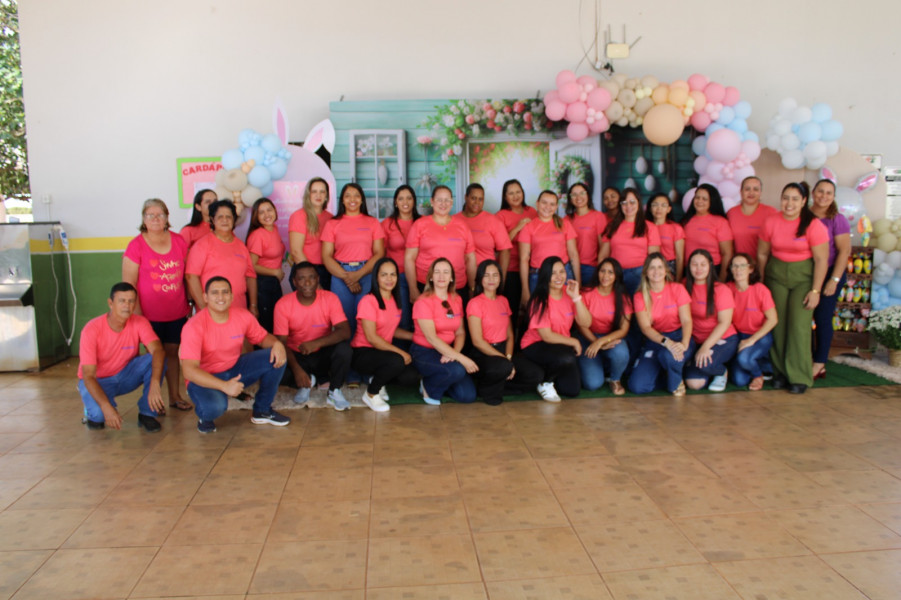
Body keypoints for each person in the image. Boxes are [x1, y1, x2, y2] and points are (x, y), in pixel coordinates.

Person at [180, 277, 289, 433]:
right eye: (215, 293)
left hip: (234, 369)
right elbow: (189, 371)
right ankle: (205, 416)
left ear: (231, 296)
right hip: (204, 378)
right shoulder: (194, 326)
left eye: (225, 292)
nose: (220, 297)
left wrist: (277, 344)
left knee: (276, 356)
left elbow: (263, 338)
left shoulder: (242, 316)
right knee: (215, 408)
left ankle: (262, 410)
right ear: (205, 297)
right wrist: (224, 386)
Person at [758, 182, 829, 394]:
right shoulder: (771, 221)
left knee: (799, 325)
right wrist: (760, 281)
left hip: (803, 279)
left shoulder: (813, 225)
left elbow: (821, 260)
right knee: (777, 324)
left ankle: (799, 376)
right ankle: (780, 373)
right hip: (776, 276)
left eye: (795, 199)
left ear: (804, 201)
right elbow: (762, 253)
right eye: (786, 198)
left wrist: (815, 291)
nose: (789, 203)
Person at [122, 198, 192, 412]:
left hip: (177, 311)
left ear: (166, 218)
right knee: (155, 356)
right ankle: (154, 401)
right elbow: (128, 284)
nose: (155, 219)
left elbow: (187, 275)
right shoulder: (136, 246)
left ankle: (174, 396)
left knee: (173, 353)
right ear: (143, 219)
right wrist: (138, 316)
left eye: (160, 215)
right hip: (148, 315)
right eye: (150, 215)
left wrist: (191, 302)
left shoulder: (179, 241)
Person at [78, 282, 166, 432]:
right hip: (99, 381)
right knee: (99, 416)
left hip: (126, 375)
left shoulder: (140, 322)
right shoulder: (91, 329)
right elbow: (88, 376)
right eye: (122, 301)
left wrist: (155, 383)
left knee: (156, 359)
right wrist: (106, 407)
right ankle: (92, 411)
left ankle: (147, 413)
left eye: (131, 301)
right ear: (110, 303)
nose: (127, 305)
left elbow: (158, 350)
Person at [274, 262, 353, 411]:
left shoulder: (330, 298)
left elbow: (345, 331)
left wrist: (316, 343)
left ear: (318, 279)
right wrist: (297, 370)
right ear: (294, 282)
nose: (307, 283)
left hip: (322, 354)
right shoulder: (283, 304)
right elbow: (281, 343)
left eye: (311, 277)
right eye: (301, 278)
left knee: (344, 350)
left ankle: (334, 391)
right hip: (298, 356)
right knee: (273, 367)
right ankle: (307, 381)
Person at [466, 259, 542, 405]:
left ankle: (497, 387)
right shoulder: (474, 303)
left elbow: (510, 336)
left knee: (536, 374)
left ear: (500, 278)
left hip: (503, 351)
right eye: (487, 275)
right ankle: (489, 389)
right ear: (480, 278)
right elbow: (477, 341)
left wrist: (508, 357)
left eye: (495, 275)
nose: (491, 279)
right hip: (484, 353)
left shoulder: (503, 301)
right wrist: (505, 361)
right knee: (503, 367)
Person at [350, 257, 419, 412]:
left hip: (382, 352)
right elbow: (372, 338)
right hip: (363, 353)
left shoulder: (395, 301)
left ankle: (377, 380)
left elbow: (391, 329)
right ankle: (371, 394)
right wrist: (401, 353)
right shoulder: (368, 301)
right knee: (397, 361)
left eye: (393, 274)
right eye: (384, 275)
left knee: (410, 377)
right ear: (376, 278)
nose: (389, 279)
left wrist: (414, 336)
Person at [520, 256, 591, 402]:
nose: (559, 277)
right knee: (567, 357)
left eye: (562, 272)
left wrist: (576, 298)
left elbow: (586, 322)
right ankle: (545, 382)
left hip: (560, 345)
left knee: (572, 390)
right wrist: (573, 341)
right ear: (546, 275)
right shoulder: (539, 299)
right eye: (553, 273)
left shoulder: (569, 292)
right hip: (536, 344)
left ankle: (548, 370)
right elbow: (546, 336)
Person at [410, 257, 478, 405]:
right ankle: (428, 386)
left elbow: (460, 332)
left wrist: (453, 353)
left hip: (447, 351)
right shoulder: (423, 301)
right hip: (424, 352)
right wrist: (461, 358)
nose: (441, 276)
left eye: (446, 272)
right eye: (437, 272)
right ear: (431, 277)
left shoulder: (456, 299)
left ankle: (442, 378)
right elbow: (431, 338)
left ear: (451, 278)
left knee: (467, 396)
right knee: (457, 370)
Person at [321, 183, 385, 335]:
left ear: (362, 199)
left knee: (366, 320)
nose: (352, 199)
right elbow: (326, 256)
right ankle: (346, 350)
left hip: (367, 273)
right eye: (348, 196)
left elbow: (379, 253)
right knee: (344, 321)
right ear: (342, 200)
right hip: (340, 275)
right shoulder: (332, 224)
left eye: (356, 195)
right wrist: (347, 278)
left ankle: (363, 349)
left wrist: (359, 274)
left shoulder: (372, 222)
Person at [628, 253, 694, 396]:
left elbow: (687, 321)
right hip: (656, 340)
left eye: (660, 267)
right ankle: (670, 376)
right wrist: (665, 342)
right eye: (652, 268)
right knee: (637, 386)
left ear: (666, 271)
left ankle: (675, 381)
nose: (656, 271)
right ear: (646, 272)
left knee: (668, 356)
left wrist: (684, 343)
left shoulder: (677, 289)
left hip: (679, 337)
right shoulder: (640, 296)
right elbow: (646, 328)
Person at [810, 178, 852, 380]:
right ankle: (807, 357)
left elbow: (844, 251)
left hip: (830, 273)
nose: (823, 196)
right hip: (807, 273)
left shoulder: (837, 219)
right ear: (813, 193)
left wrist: (833, 280)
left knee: (822, 318)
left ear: (833, 197)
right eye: (820, 191)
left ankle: (819, 363)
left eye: (828, 193)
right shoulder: (804, 215)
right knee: (804, 318)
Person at [405, 186, 477, 302]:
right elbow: (409, 258)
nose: (443, 203)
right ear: (432, 201)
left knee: (457, 314)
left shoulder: (462, 226)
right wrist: (413, 289)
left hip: (457, 287)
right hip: (427, 286)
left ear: (452, 203)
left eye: (447, 200)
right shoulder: (419, 225)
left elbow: (470, 258)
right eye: (439, 200)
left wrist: (472, 287)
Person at [185, 199, 258, 314]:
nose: (225, 220)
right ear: (212, 220)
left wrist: (253, 305)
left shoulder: (241, 246)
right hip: (212, 312)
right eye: (220, 217)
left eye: (229, 217)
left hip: (239, 310)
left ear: (234, 220)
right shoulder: (202, 245)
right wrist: (204, 308)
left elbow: (250, 276)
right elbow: (191, 277)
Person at [683, 249, 738, 392]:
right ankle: (703, 367)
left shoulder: (721, 289)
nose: (698, 268)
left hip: (722, 339)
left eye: (703, 264)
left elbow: (724, 322)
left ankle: (721, 371)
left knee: (705, 365)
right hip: (696, 340)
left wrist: (705, 347)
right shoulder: (684, 286)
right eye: (694, 264)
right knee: (694, 384)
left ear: (710, 266)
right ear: (689, 266)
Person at [576, 258, 631, 395]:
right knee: (593, 384)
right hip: (587, 338)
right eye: (603, 271)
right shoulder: (586, 293)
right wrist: (595, 341)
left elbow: (623, 330)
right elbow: (581, 325)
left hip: (610, 338)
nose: (606, 276)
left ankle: (615, 379)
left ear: (617, 275)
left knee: (621, 352)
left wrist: (601, 342)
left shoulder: (623, 297)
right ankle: (597, 365)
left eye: (610, 272)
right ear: (597, 272)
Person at [726, 253, 777, 390]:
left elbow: (773, 319)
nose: (738, 269)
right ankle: (759, 362)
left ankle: (758, 374)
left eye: (743, 266)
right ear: (730, 269)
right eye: (735, 266)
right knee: (739, 381)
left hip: (760, 335)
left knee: (744, 359)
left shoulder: (760, 290)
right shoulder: (727, 289)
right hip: (738, 335)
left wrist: (751, 340)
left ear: (751, 269)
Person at [519, 189, 581, 302]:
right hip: (538, 275)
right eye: (544, 202)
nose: (548, 207)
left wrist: (578, 283)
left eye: (552, 204)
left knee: (567, 307)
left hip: (563, 274)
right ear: (537, 204)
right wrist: (524, 289)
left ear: (556, 207)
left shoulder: (565, 224)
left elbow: (573, 255)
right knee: (538, 309)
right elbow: (524, 259)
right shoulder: (528, 227)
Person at [599, 187, 661, 295]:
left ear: (639, 203)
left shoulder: (650, 227)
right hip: (615, 274)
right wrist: (601, 275)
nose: (628, 206)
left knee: (638, 304)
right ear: (620, 205)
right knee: (618, 304)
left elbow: (654, 258)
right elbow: (603, 255)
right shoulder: (612, 226)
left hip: (640, 274)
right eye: (624, 203)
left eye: (632, 202)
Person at [495, 179, 537, 319]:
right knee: (511, 310)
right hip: (510, 270)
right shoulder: (501, 215)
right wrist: (518, 227)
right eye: (511, 193)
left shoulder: (531, 211)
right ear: (505, 196)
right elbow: (499, 245)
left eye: (518, 192)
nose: (515, 196)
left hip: (531, 268)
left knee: (531, 310)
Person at [382, 184, 420, 330]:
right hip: (398, 278)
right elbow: (381, 254)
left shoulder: (422, 222)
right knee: (403, 320)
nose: (405, 202)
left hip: (421, 277)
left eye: (409, 198)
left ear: (414, 201)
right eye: (401, 199)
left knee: (422, 319)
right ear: (395, 202)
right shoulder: (387, 224)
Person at [457, 183, 512, 284]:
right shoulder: (454, 220)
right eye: (473, 198)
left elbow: (505, 250)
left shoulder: (493, 221)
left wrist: (501, 279)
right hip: (458, 276)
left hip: (485, 278)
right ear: (466, 197)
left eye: (480, 199)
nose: (477, 202)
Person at [245, 197, 285, 333]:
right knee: (266, 326)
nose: (267, 214)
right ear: (256, 216)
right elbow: (251, 265)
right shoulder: (257, 235)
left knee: (276, 323)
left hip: (273, 283)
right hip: (261, 285)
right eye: (261, 212)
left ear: (275, 210)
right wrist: (275, 272)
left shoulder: (274, 229)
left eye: (269, 210)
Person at [682, 184, 734, 281]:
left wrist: (722, 279)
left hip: (712, 271)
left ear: (712, 201)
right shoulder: (686, 221)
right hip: (689, 271)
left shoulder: (721, 222)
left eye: (704, 199)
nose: (699, 201)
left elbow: (727, 253)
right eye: (697, 197)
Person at [289, 177, 333, 289]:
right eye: (314, 191)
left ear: (327, 196)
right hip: (305, 271)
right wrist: (312, 279)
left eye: (322, 192)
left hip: (327, 270)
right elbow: (296, 252)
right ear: (308, 194)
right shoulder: (299, 216)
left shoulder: (331, 218)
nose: (318, 195)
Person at [565, 182, 607, 286]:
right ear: (570, 199)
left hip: (590, 268)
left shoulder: (598, 217)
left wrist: (601, 269)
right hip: (569, 268)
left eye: (582, 193)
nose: (578, 197)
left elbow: (604, 246)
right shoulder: (566, 220)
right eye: (574, 194)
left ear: (588, 195)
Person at [727, 176, 776, 257]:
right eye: (747, 189)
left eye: (755, 189)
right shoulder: (731, 213)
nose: (751, 193)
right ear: (741, 192)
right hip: (738, 263)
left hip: (763, 262)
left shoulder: (771, 212)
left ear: (760, 192)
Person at [647, 193, 685, 281]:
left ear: (669, 209)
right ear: (650, 208)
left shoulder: (676, 228)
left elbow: (680, 257)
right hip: (649, 265)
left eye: (663, 205)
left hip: (669, 267)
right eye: (655, 205)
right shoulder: (644, 227)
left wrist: (678, 280)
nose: (659, 208)